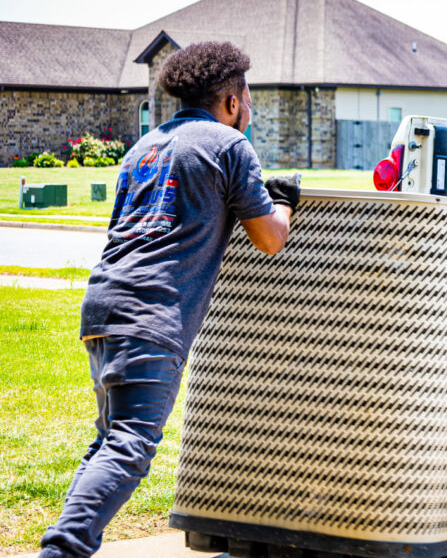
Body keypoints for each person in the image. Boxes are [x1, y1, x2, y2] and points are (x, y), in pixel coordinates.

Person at [38, 42, 301, 558]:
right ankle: (61, 552)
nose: (250, 107)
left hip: (103, 306)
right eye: (247, 96)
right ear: (230, 101)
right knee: (131, 446)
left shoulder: (145, 146)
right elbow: (269, 238)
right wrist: (285, 200)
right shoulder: (229, 145)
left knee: (109, 442)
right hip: (151, 315)